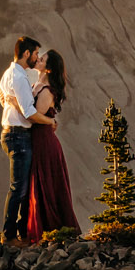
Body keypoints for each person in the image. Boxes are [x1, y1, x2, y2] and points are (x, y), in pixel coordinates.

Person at [24, 49, 80, 241]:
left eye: (42, 59)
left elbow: (34, 116)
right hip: (38, 139)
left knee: (45, 182)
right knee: (40, 182)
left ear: (48, 69)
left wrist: (14, 103)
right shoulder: (37, 85)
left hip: (44, 141)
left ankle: (50, 229)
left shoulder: (47, 91)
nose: (37, 60)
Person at [0, 36, 41, 242]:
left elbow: (2, 97)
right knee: (19, 188)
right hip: (19, 135)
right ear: (26, 54)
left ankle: (21, 233)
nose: (37, 57)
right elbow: (29, 113)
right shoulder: (20, 78)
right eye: (35, 54)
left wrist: (12, 105)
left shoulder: (8, 74)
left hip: (9, 132)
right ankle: (9, 236)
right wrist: (49, 122)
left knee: (20, 187)